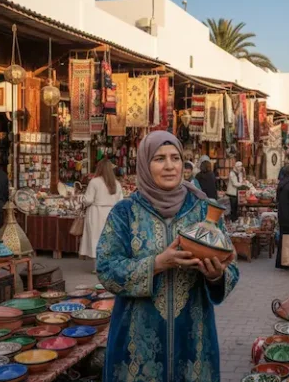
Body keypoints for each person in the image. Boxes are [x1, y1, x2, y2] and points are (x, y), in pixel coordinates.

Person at [96, 131, 239, 382]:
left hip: (194, 340)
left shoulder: (204, 210)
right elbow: (107, 269)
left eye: (176, 158)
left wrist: (217, 276)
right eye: (159, 158)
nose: (170, 166)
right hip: (136, 344)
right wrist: (157, 264)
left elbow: (232, 266)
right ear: (145, 163)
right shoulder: (125, 213)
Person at [81, 159, 124, 269]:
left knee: (96, 238)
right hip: (111, 213)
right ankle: (110, 264)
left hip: (96, 213)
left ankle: (97, 266)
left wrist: (81, 199)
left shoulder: (94, 182)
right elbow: (121, 201)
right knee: (110, 238)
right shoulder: (116, 184)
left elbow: (88, 200)